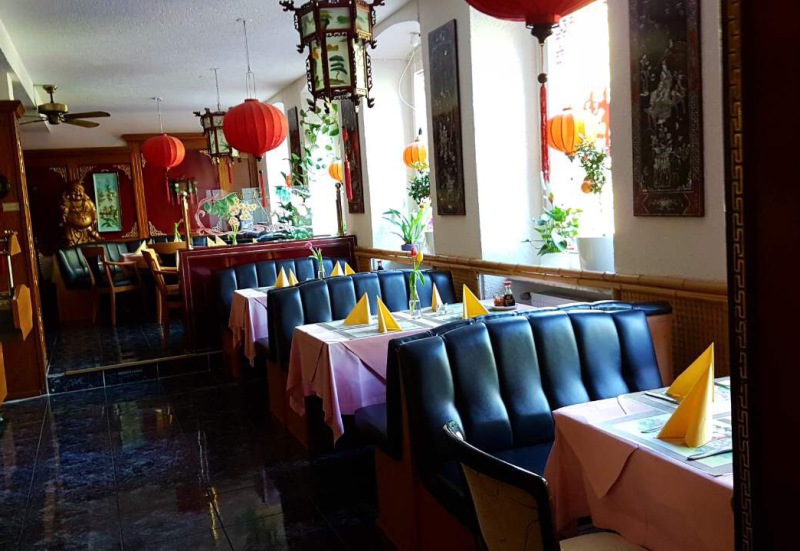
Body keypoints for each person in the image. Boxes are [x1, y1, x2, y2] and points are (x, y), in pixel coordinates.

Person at [60, 181, 100, 246]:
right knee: (69, 237)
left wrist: (94, 218)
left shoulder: (87, 202)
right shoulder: (68, 203)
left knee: (93, 237)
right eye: (74, 191)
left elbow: (93, 211)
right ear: (69, 193)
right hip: (73, 229)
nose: (77, 193)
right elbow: (64, 213)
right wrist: (64, 212)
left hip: (88, 229)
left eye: (80, 190)